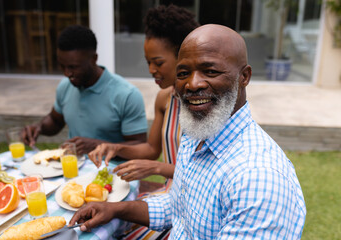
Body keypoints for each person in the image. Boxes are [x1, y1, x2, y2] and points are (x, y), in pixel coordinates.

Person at [70, 24, 306, 239]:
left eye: (210, 71)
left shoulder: (256, 177)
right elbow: (178, 209)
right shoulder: (196, 136)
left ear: (244, 77)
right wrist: (114, 209)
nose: (193, 84)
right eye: (183, 73)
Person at [89, 5, 198, 185]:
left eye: (158, 62)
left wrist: (156, 168)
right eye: (148, 62)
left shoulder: (204, 103)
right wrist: (115, 148)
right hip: (172, 193)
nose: (151, 70)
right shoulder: (165, 99)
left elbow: (208, 171)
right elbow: (151, 149)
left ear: (182, 56)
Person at [22, 25, 148, 155]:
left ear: (94, 59)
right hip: (74, 168)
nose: (67, 73)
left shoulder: (127, 95)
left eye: (73, 67)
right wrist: (39, 127)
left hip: (113, 171)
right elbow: (55, 120)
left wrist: (98, 146)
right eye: (62, 66)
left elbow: (140, 145)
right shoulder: (65, 86)